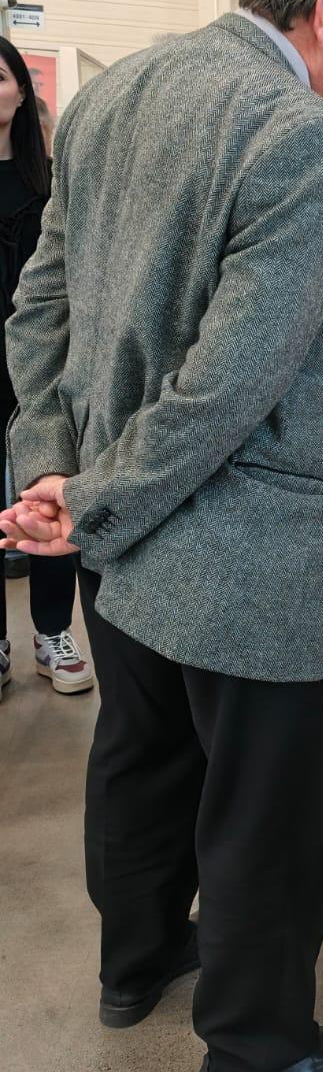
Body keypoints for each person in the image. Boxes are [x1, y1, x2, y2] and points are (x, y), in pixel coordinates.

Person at [1, 0, 323, 1072]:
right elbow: (235, 380)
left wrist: (54, 473)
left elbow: (39, 310)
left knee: (142, 764)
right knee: (265, 814)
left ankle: (136, 964)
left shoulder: (112, 98)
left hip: (131, 561)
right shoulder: (300, 137)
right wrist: (93, 495)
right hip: (251, 557)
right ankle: (256, 1050)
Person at [0, 36, 92, 698]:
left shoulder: (52, 179)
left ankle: (52, 633)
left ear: (20, 90)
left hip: (41, 371)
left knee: (47, 493)